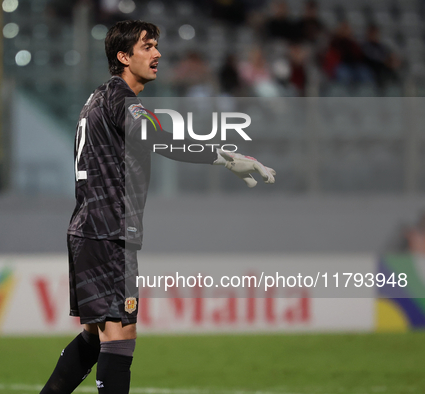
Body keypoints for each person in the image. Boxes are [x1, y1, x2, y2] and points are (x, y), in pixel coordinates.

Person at [40, 20, 276, 394]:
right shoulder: (121, 100)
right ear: (123, 56)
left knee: (93, 334)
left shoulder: (99, 98)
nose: (158, 54)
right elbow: (163, 140)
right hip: (108, 231)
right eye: (147, 46)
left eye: (156, 46)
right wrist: (226, 158)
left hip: (89, 228)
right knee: (121, 333)